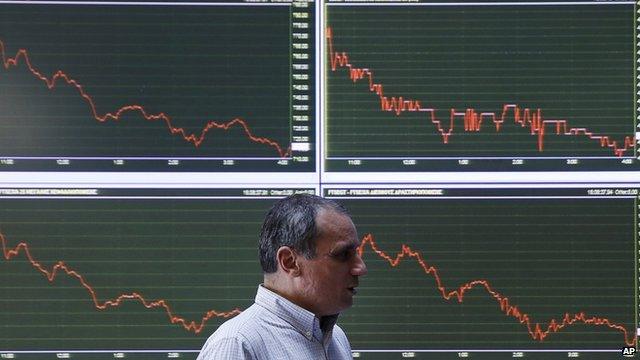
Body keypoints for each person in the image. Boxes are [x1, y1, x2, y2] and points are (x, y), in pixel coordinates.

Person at [197, 194, 367, 359]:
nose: (361, 268)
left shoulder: (335, 337)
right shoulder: (237, 344)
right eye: (343, 254)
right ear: (289, 262)